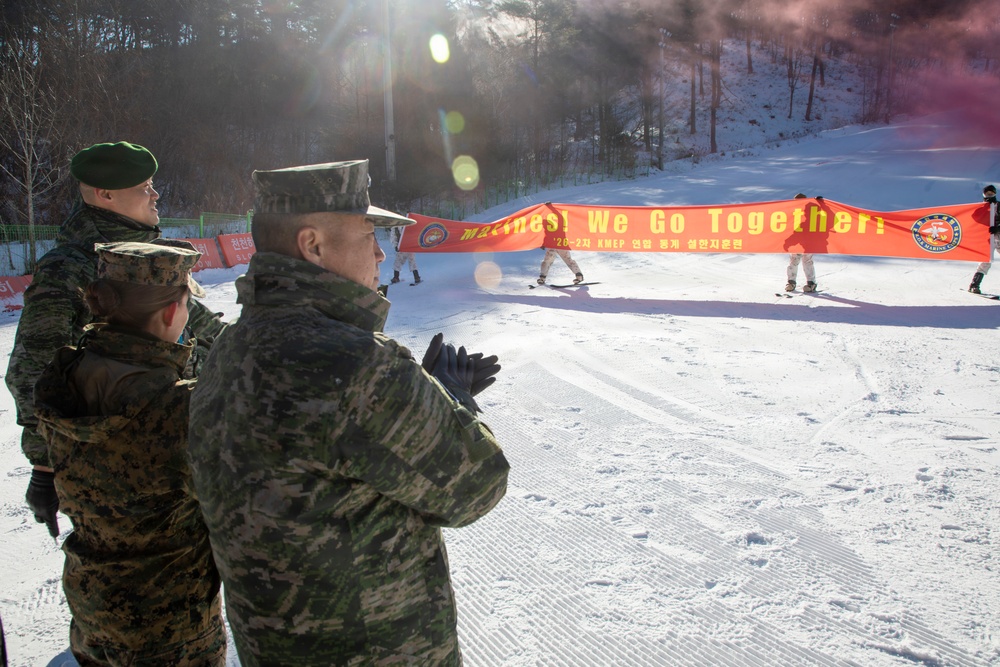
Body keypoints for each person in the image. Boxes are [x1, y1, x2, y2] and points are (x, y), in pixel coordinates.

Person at [187, 159, 509, 666]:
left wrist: (413, 398)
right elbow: (477, 486)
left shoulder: (231, 346)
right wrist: (448, 397)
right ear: (312, 244)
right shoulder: (352, 363)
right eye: (367, 234)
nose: (381, 252)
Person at [6, 141, 227, 541]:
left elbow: (204, 329)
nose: (156, 194)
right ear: (105, 194)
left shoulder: (146, 256)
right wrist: (44, 464)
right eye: (145, 187)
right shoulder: (69, 268)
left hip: (181, 441)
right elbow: (33, 371)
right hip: (121, 463)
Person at [33, 241, 226, 667]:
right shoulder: (181, 410)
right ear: (174, 313)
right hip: (171, 631)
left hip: (91, 608)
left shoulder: (64, 377)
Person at [785, 193, 818, 292]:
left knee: (807, 261)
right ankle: (791, 282)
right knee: (794, 261)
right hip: (797, 240)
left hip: (808, 239)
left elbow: (827, 214)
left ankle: (811, 283)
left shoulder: (811, 209)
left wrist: (820, 202)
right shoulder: (793, 210)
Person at [969, 184, 999, 294]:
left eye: (992, 193)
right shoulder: (980, 209)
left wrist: (998, 227)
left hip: (999, 236)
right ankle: (974, 285)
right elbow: (973, 221)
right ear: (984, 194)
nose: (990, 195)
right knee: (985, 261)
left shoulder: (999, 206)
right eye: (987, 194)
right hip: (986, 238)